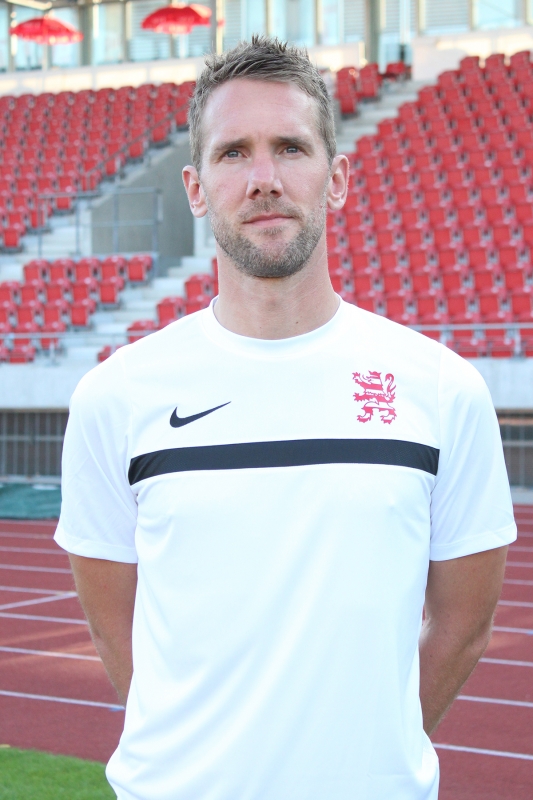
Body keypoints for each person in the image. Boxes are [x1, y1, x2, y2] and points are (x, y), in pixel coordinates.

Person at [55, 37, 516, 800]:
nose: (263, 178)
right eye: (233, 153)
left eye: (290, 148)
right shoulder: (117, 395)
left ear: (336, 179)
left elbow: (464, 626)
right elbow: (112, 626)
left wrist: (364, 757)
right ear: (196, 188)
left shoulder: (442, 389)